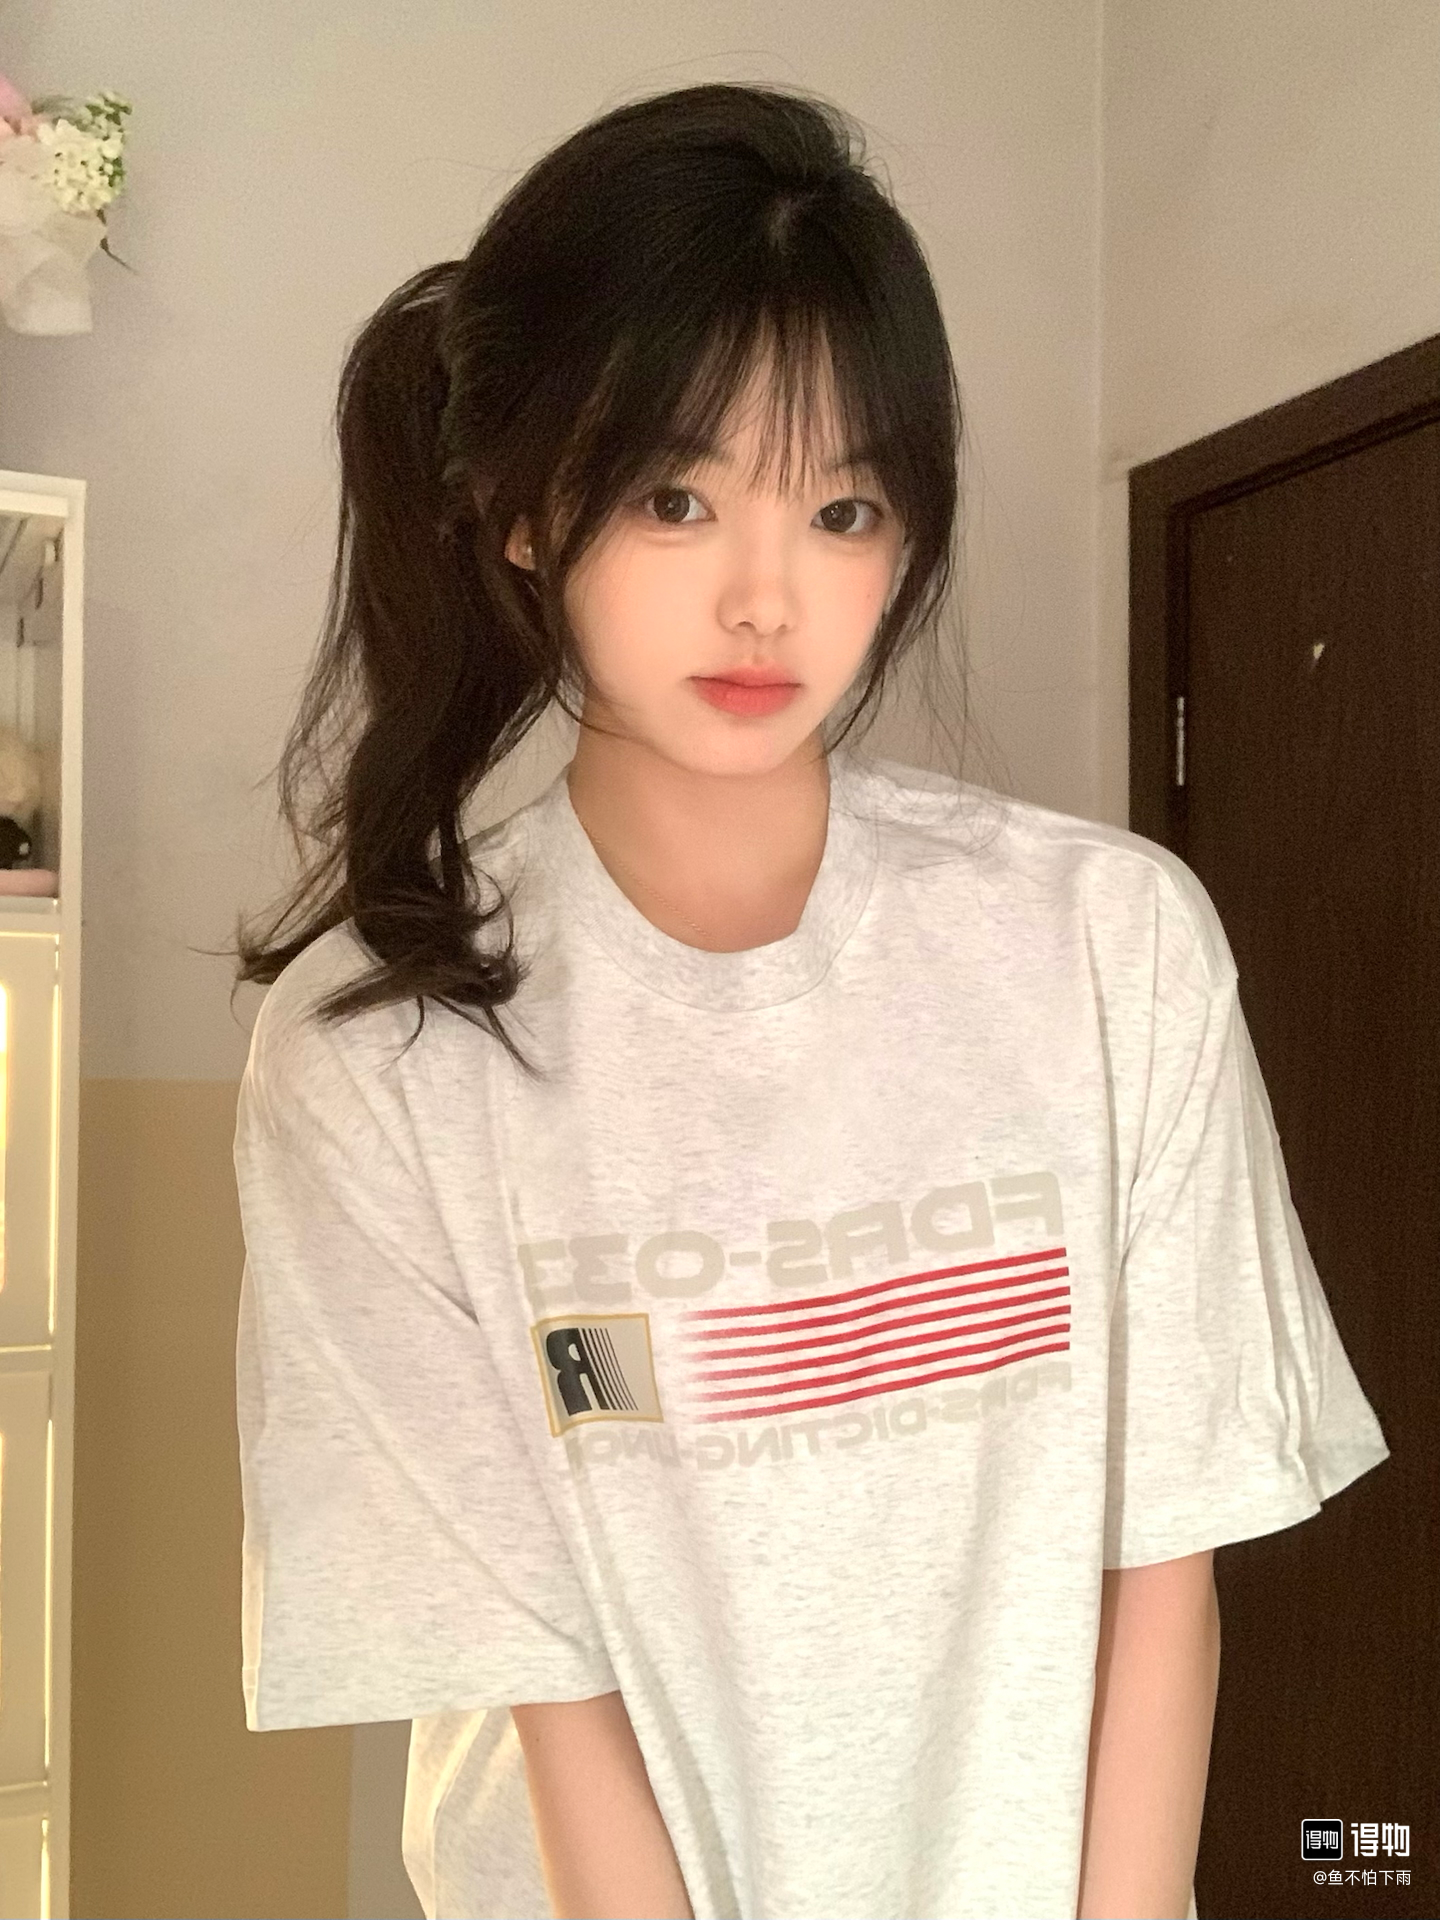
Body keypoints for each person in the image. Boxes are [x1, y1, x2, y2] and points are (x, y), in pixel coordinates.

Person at [231, 81, 1389, 1920]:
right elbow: (546, 1678)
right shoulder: (380, 1052)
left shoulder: (1111, 946)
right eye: (677, 498)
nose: (767, 599)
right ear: (523, 512)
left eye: (842, 508)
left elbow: (1161, 1561)